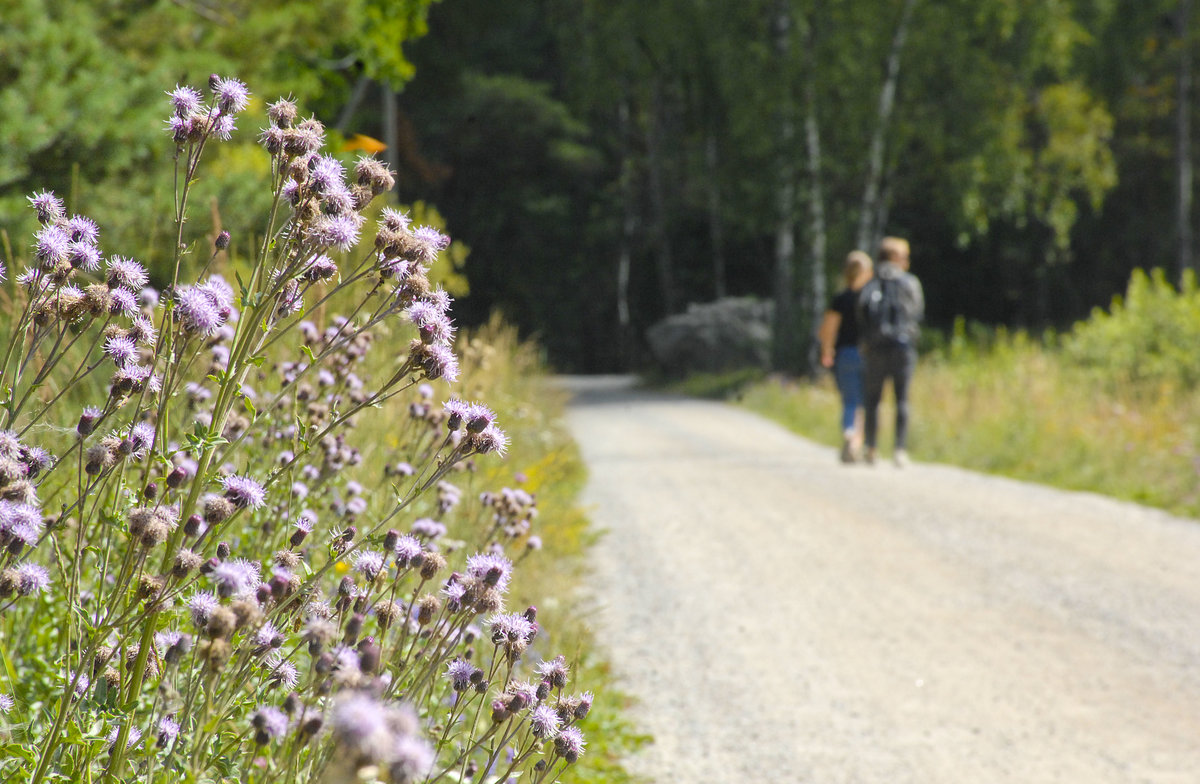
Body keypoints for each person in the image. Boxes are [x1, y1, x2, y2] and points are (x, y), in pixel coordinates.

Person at [857, 236, 924, 467]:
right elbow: (917, 312)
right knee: (902, 399)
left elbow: (862, 313)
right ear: (895, 257)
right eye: (905, 257)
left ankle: (871, 448)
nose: (907, 261)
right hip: (902, 348)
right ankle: (899, 450)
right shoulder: (910, 282)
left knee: (873, 400)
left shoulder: (870, 281)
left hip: (875, 348)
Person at [818, 250, 873, 463]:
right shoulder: (873, 299)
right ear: (867, 272)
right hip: (870, 355)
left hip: (846, 355)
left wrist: (826, 352)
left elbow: (828, 330)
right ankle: (863, 443)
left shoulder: (840, 299)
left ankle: (850, 435)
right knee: (867, 402)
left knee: (850, 401)